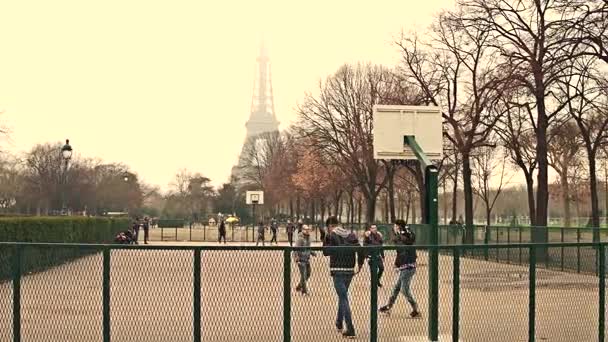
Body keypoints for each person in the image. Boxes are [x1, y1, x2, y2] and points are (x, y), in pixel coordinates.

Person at [323, 216, 365, 339]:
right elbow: (360, 249)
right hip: (349, 269)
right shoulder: (350, 234)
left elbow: (326, 252)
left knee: (343, 298)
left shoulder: (331, 235)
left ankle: (350, 328)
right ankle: (339, 322)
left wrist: (325, 238)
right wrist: (360, 264)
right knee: (343, 296)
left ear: (330, 226)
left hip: (337, 269)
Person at [379, 219, 420, 318]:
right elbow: (400, 252)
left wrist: (399, 235)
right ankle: (389, 306)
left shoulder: (404, 236)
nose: (393, 227)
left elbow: (404, 246)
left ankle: (415, 309)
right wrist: (397, 264)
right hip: (405, 265)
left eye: (395, 226)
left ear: (398, 227)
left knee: (404, 289)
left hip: (408, 266)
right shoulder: (404, 235)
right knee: (396, 288)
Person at [294, 225, 315, 295]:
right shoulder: (300, 239)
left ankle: (299, 286)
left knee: (308, 274)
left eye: (308, 230)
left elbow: (308, 248)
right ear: (303, 230)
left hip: (307, 259)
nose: (307, 231)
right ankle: (304, 290)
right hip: (301, 259)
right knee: (303, 275)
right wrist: (296, 258)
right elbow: (295, 249)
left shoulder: (308, 238)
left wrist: (312, 252)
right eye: (306, 230)